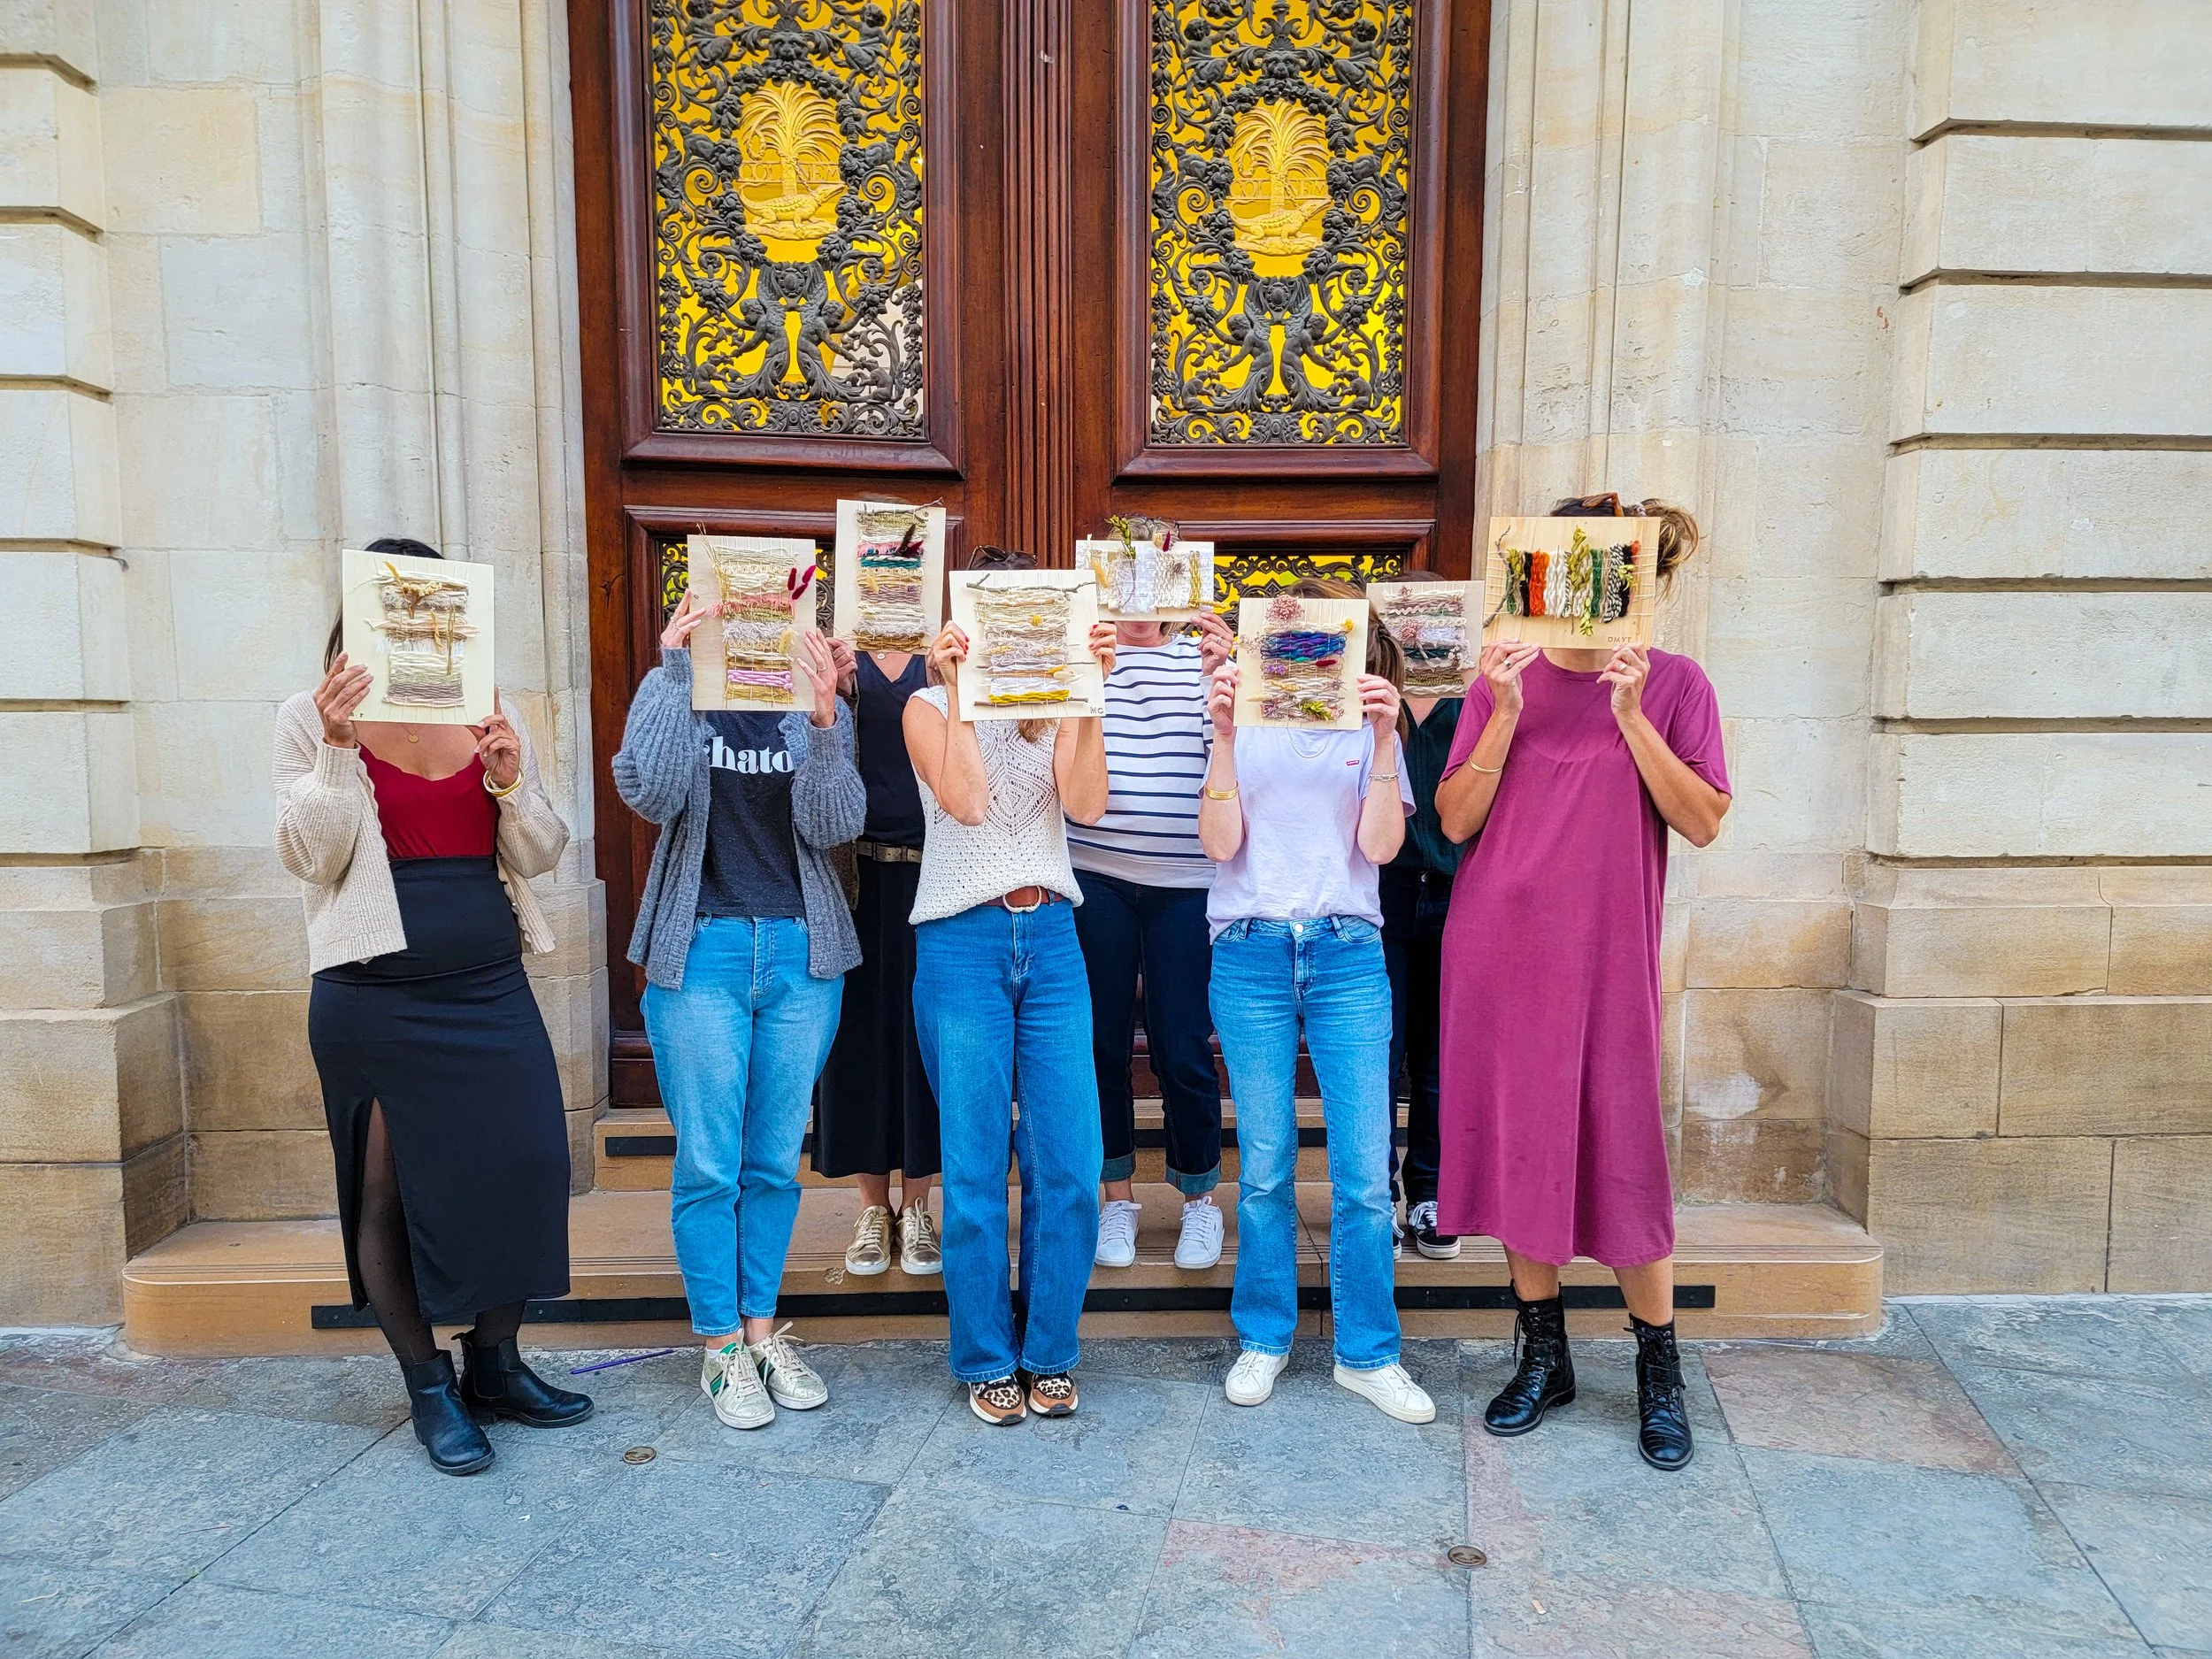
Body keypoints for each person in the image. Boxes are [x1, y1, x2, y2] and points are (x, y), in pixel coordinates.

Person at [279, 534, 590, 1478]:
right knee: (385, 1190)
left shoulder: (487, 711)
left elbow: (541, 852)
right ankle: (427, 1386)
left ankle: (494, 1363)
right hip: (373, 996)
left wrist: (507, 779)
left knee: (530, 1162)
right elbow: (308, 854)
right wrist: (337, 753)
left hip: (488, 988)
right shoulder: (308, 718)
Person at [1434, 498, 1730, 1472]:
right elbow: (1457, 820)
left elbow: (1700, 820)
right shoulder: (1499, 683)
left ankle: (1658, 1370)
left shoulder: (1675, 685)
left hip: (1605, 955)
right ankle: (1543, 1355)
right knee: (1522, 1140)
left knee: (1622, 1144)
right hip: (1498, 949)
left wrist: (1630, 716)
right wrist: (1504, 713)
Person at [613, 583, 865, 1432]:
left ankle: (761, 1332)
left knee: (769, 1162)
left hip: (800, 953)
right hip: (703, 952)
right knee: (710, 1163)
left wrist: (828, 720)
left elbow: (837, 824)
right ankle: (719, 1347)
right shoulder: (683, 691)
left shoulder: (809, 702)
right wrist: (673, 670)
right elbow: (649, 791)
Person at [1197, 578, 1435, 1425]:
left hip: (1346, 954)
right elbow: (1219, 843)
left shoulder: (1375, 732)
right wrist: (1224, 735)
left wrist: (1381, 734)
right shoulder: (1240, 723)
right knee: (1264, 1166)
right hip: (1252, 951)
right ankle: (1264, 1336)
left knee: (1366, 1173)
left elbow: (1380, 844)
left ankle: (1367, 1353)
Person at [902, 547, 1114, 1425]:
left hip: (1053, 938)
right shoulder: (923, 707)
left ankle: (1050, 1352)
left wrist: (1086, 694)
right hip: (963, 939)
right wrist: (957, 691)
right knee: (978, 1160)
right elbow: (967, 803)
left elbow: (1088, 803)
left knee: (1069, 1161)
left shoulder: (1062, 701)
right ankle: (987, 1356)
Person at [1071, 607, 1236, 1273]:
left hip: (1187, 879)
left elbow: (1220, 761)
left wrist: (1220, 674)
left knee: (1183, 1044)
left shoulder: (1201, 661)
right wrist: (1090, 671)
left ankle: (1200, 1197)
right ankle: (1117, 1195)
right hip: (1096, 871)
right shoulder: (1087, 651)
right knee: (1101, 1041)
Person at [813, 630, 943, 1279]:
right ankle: (872, 1207)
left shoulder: (942, 652)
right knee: (857, 1041)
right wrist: (837, 694)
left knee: (923, 1042)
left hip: (934, 878)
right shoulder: (837, 655)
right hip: (854, 880)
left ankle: (918, 1206)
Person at [1372, 572, 1464, 1261]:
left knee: (1440, 1054)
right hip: (1384, 887)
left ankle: (1431, 1189)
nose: (1420, 630)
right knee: (1381, 1047)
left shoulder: (1477, 699)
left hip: (1460, 887)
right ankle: (1375, 1193)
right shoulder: (1371, 693)